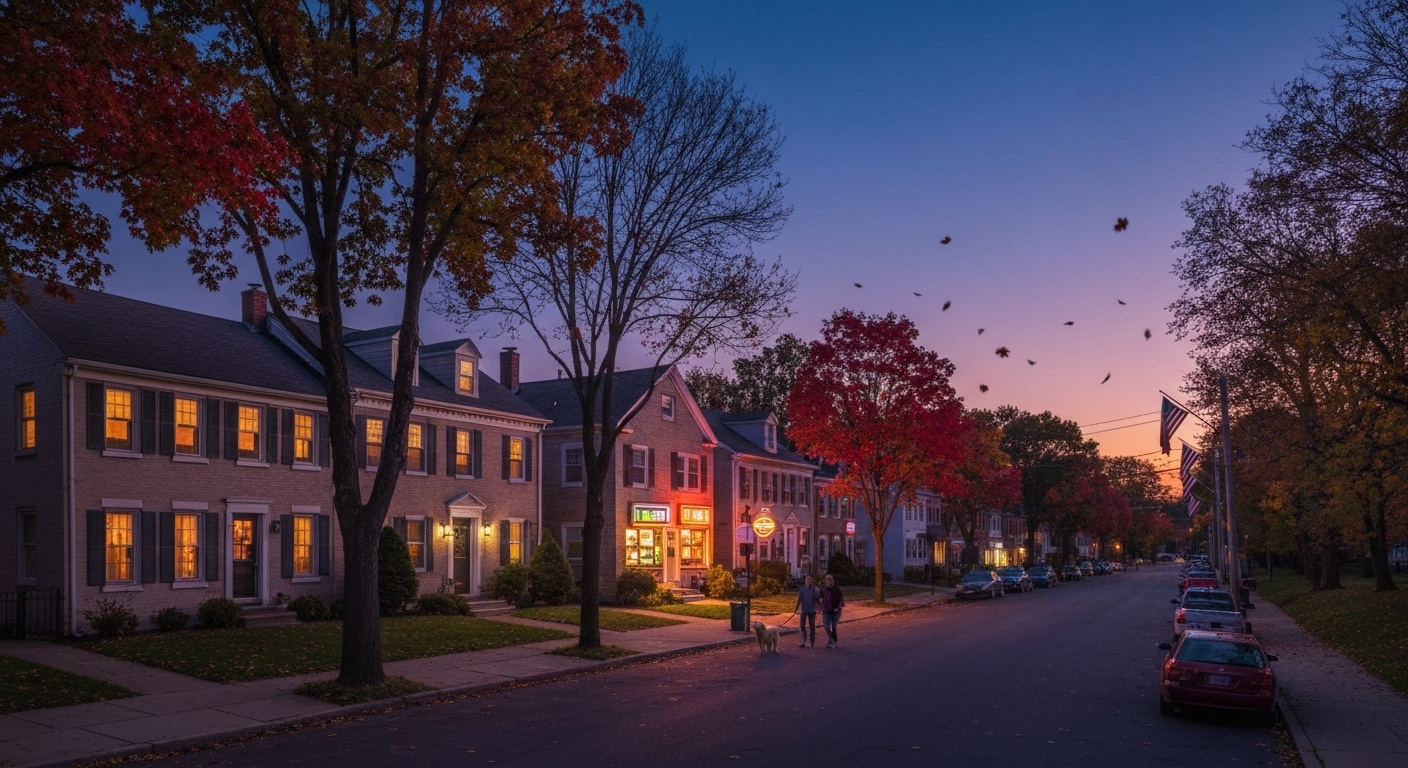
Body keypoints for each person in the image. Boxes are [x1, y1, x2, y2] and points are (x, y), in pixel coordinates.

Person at [794, 575, 820, 647]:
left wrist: (819, 608)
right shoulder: (802, 589)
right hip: (804, 610)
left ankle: (812, 642)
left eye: (810, 580)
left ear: (812, 581)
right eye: (807, 580)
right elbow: (799, 599)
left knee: (812, 626)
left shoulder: (815, 589)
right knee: (802, 625)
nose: (808, 581)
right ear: (805, 581)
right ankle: (804, 640)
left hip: (812, 610)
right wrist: (796, 609)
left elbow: (817, 599)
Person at [821, 573, 845, 648]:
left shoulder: (837, 590)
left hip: (835, 610)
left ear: (833, 580)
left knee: (834, 626)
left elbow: (840, 600)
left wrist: (837, 607)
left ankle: (833, 641)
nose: (828, 581)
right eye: (826, 579)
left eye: (829, 579)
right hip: (826, 610)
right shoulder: (825, 589)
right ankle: (832, 639)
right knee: (826, 625)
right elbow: (821, 598)